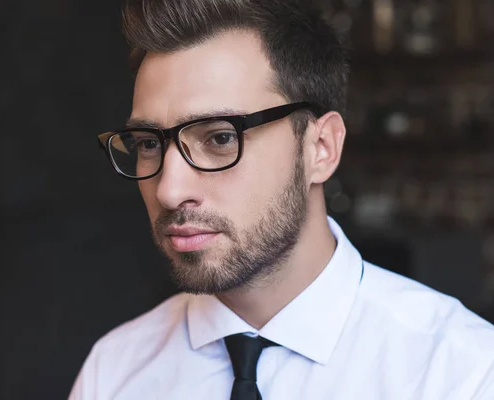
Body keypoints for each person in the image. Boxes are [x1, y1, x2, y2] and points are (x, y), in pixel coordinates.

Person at [69, 0, 494, 399]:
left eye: (219, 138)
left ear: (321, 147)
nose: (169, 189)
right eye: (147, 144)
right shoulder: (115, 372)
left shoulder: (460, 373)